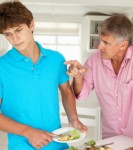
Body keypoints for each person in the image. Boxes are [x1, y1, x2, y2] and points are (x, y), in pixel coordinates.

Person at [0, 1, 87, 150]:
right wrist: (28, 132)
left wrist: (73, 119)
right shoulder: (2, 66)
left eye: (18, 30)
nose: (14, 38)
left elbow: (66, 90)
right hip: (21, 146)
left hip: (58, 143)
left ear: (31, 25)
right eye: (8, 34)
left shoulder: (57, 59)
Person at [65, 14, 133, 150]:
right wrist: (78, 76)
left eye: (106, 43)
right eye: (100, 40)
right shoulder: (94, 60)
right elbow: (82, 93)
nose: (99, 46)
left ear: (123, 45)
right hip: (110, 138)